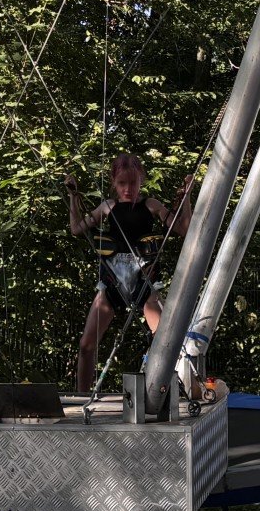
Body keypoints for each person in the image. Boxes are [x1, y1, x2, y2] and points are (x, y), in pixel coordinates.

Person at [62, 154, 194, 391]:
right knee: (86, 345)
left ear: (141, 180)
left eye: (133, 183)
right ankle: (82, 396)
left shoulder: (150, 205)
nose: (128, 189)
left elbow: (184, 229)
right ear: (114, 182)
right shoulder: (108, 206)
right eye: (122, 183)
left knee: (166, 342)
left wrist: (186, 197)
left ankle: (170, 391)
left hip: (143, 278)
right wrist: (73, 197)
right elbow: (76, 228)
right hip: (113, 279)